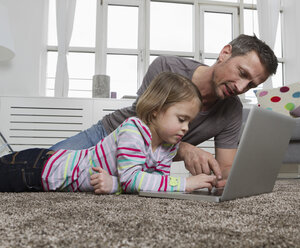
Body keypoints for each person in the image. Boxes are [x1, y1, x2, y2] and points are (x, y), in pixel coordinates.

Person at [50, 34, 278, 187]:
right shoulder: (166, 67)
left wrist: (221, 180)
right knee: (46, 166)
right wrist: (185, 148)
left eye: (251, 85)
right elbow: (141, 132)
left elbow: (226, 167)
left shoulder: (232, 110)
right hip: (108, 134)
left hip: (144, 160)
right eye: (242, 73)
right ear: (225, 53)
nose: (241, 87)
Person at [0, 72, 217, 193]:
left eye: (189, 122)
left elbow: (154, 185)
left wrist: (115, 185)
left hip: (45, 178)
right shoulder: (133, 131)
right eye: (181, 119)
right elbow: (133, 180)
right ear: (155, 111)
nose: (187, 128)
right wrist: (186, 184)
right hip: (39, 168)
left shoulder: (168, 148)